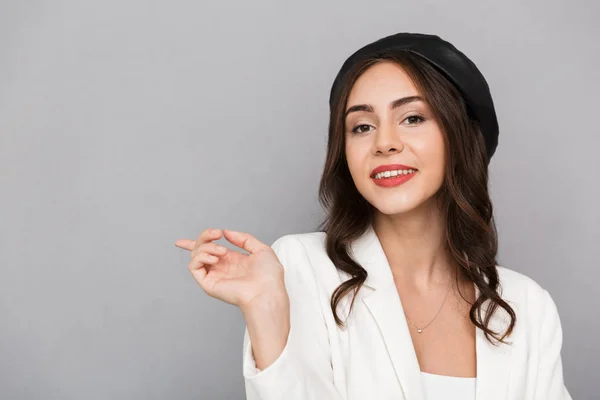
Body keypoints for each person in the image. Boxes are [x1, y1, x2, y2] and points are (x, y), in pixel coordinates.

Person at [175, 32, 572, 400]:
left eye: (413, 118)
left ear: (461, 137)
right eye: (361, 126)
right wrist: (266, 311)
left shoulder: (525, 307)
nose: (384, 143)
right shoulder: (301, 267)